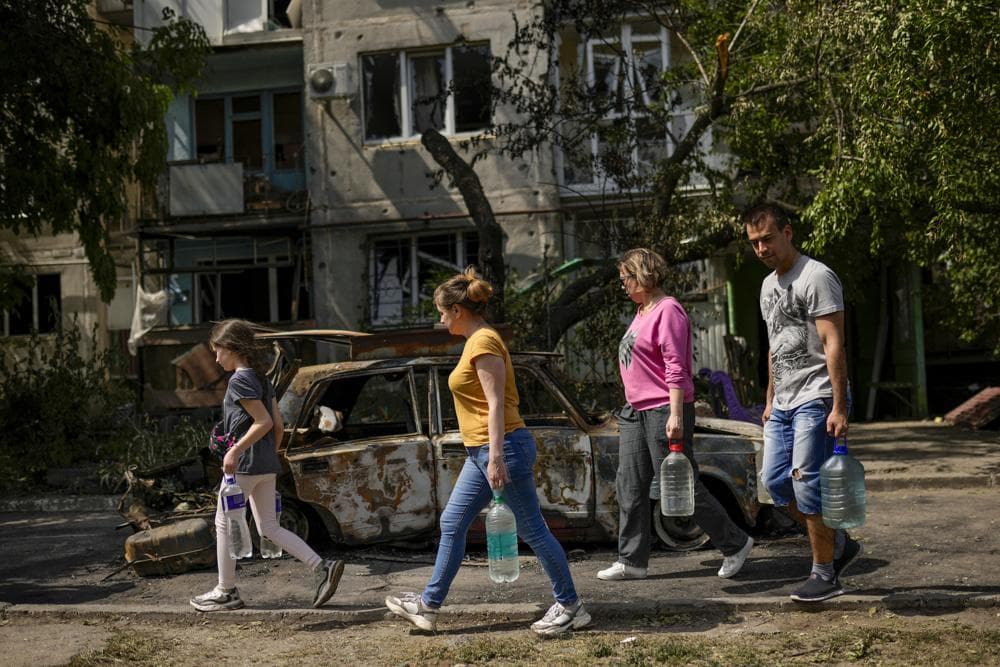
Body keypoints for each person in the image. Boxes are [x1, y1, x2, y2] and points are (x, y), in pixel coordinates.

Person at [385, 268, 591, 636]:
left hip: (502, 448)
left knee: (534, 530)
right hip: (481, 451)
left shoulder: (483, 342)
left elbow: (496, 404)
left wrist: (495, 457)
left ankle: (571, 605)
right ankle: (429, 607)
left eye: (442, 312)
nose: (440, 319)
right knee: (452, 523)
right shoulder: (474, 342)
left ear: (458, 310)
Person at [598, 248, 755, 582]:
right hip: (635, 411)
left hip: (662, 409)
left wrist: (675, 415)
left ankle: (735, 543)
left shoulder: (668, 310)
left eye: (626, 278)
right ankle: (632, 561)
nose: (623, 285)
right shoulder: (642, 311)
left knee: (680, 485)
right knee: (630, 485)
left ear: (643, 275)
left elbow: (676, 367)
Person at [743, 204, 862, 603]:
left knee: (806, 485)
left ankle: (825, 573)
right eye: (754, 243)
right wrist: (769, 397)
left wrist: (839, 405)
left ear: (787, 233)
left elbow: (834, 343)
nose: (761, 248)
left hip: (817, 395)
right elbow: (775, 346)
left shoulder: (817, 276)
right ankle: (838, 539)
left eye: (767, 239)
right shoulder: (765, 286)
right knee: (774, 482)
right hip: (783, 401)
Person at [190, 319, 345, 612]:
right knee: (269, 527)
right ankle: (323, 566)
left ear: (232, 349)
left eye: (218, 350)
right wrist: (268, 456)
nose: (216, 357)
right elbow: (278, 426)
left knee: (223, 523)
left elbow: (262, 422)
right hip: (264, 464)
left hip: (244, 466)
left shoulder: (239, 380)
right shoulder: (263, 379)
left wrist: (234, 451)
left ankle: (226, 592)